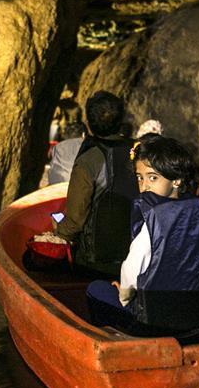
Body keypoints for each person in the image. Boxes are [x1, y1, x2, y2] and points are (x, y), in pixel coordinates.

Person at [86, 136, 199, 335]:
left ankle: (118, 339)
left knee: (96, 289)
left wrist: (124, 295)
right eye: (140, 178)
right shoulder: (196, 209)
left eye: (153, 177)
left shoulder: (153, 219)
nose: (144, 185)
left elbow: (131, 270)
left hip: (155, 322)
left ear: (176, 180)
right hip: (196, 318)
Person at [55, 91, 138, 275]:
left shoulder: (88, 160)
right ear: (121, 122)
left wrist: (56, 236)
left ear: (88, 125)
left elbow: (74, 222)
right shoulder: (139, 152)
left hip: (96, 263)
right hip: (139, 256)